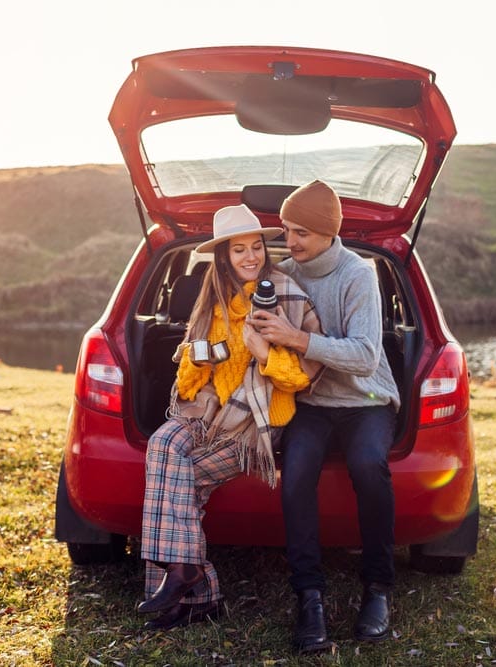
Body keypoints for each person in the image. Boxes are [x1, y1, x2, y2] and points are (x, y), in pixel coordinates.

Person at [136, 203, 322, 631]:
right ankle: (189, 580)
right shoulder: (211, 298)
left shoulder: (287, 295)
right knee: (163, 446)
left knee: (181, 478)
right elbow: (186, 381)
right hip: (206, 410)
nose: (250, 257)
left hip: (256, 426)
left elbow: (302, 380)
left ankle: (191, 592)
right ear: (223, 257)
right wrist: (198, 357)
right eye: (239, 250)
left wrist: (264, 352)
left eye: (256, 247)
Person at [251, 180, 400, 652]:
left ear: (328, 233)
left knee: (368, 467)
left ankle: (377, 588)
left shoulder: (359, 275)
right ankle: (309, 598)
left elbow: (365, 357)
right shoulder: (283, 273)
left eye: (301, 233)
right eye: (286, 230)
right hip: (311, 403)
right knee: (294, 476)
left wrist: (294, 339)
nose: (290, 242)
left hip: (365, 400)